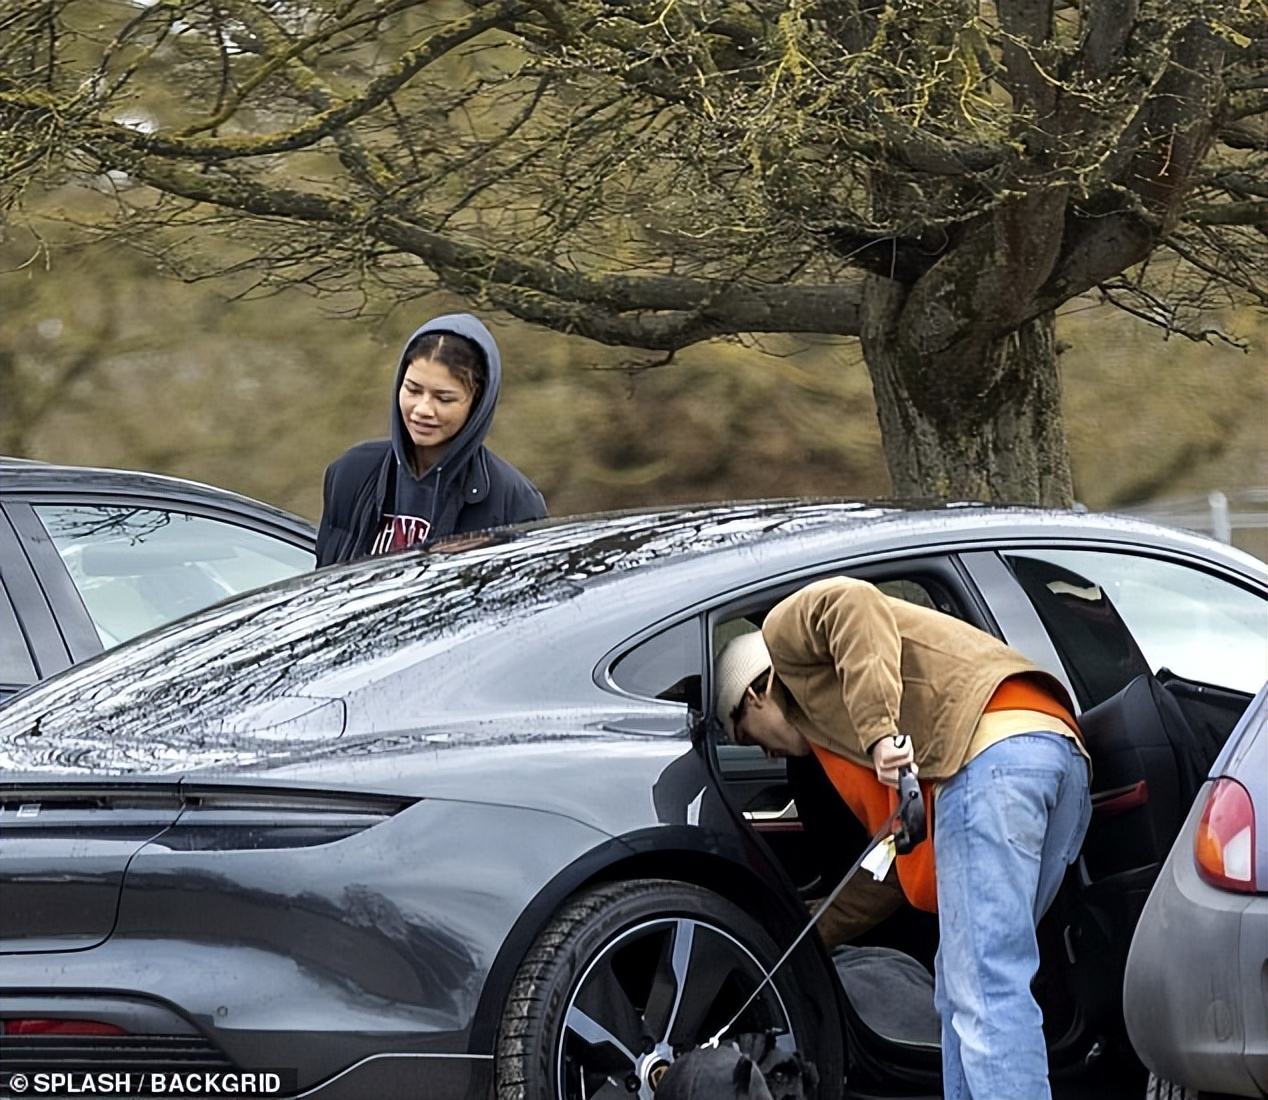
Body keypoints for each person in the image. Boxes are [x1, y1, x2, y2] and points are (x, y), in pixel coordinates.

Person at [714, 576, 1091, 1100]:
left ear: (753, 696)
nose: (766, 756)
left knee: (986, 990)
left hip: (989, 757)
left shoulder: (785, 635)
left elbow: (853, 603)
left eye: (745, 738)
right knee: (964, 989)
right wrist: (803, 930)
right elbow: (891, 873)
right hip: (1050, 751)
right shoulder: (835, 742)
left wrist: (880, 733)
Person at [316, 313, 546, 565]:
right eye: (413, 390)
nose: (423, 409)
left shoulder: (512, 501)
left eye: (444, 398)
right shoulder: (352, 472)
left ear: (477, 404)